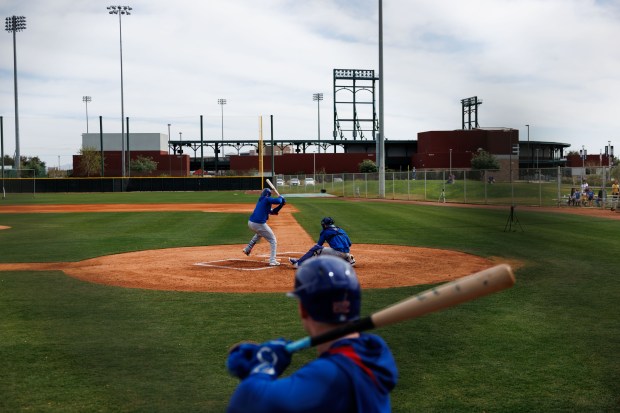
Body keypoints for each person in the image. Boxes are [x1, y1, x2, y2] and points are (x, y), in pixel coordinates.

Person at [226, 256, 398, 413]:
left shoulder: (330, 373)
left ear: (303, 310)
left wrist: (262, 368)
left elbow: (245, 401)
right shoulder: (375, 350)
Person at [289, 217, 355, 268]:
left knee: (316, 249)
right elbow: (349, 244)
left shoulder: (325, 232)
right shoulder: (341, 230)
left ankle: (298, 264)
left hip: (338, 254)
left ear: (325, 225)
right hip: (346, 252)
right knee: (337, 250)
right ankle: (348, 258)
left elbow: (319, 245)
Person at [242, 188, 286, 266]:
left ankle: (247, 249)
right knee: (273, 240)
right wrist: (281, 198)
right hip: (258, 224)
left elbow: (273, 211)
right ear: (268, 195)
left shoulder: (263, 201)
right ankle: (272, 260)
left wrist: (281, 205)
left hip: (251, 223)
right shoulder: (266, 199)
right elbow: (278, 201)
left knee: (259, 234)